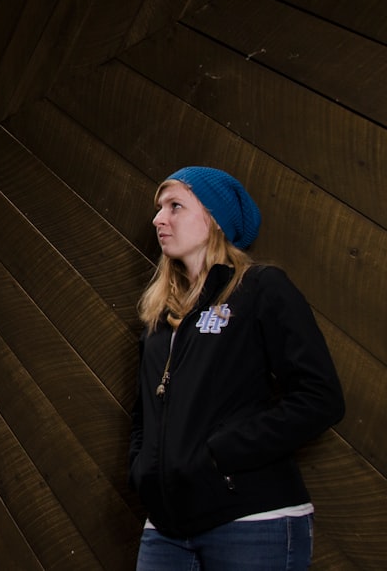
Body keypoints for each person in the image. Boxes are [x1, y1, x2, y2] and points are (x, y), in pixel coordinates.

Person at [128, 166, 344, 570]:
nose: (159, 219)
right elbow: (145, 414)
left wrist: (220, 453)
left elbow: (320, 398)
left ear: (214, 218)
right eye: (160, 208)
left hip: (250, 520)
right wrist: (143, 469)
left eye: (175, 206)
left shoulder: (260, 289)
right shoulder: (160, 321)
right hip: (165, 527)